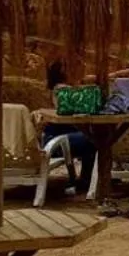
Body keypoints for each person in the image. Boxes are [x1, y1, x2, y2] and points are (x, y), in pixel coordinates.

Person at [39, 59, 98, 196]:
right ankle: (87, 180)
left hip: (63, 139)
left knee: (92, 139)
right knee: (93, 140)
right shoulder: (63, 90)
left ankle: (86, 179)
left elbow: (103, 77)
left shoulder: (67, 88)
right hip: (55, 142)